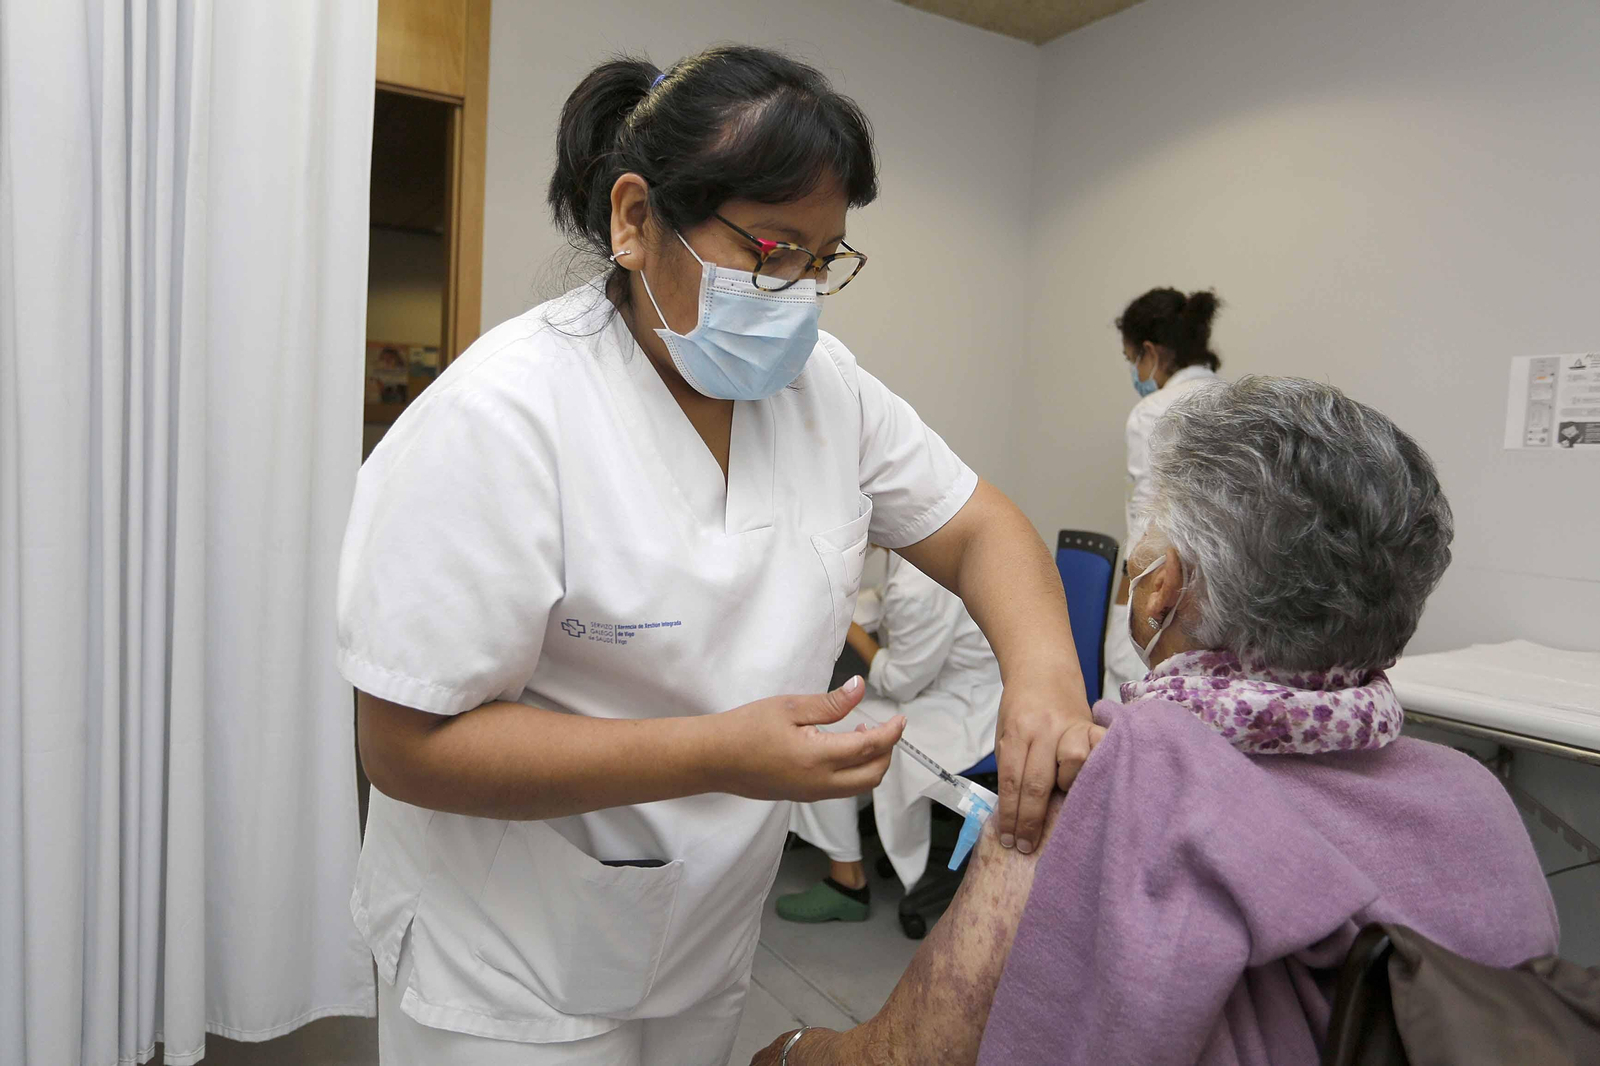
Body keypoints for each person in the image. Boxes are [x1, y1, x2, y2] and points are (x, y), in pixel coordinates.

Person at [337, 46, 1097, 1066]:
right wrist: (716, 751)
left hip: (698, 933)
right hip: (509, 961)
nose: (798, 293)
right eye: (772, 248)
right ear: (636, 219)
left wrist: (1045, 682)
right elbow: (404, 744)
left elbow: (977, 526)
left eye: (824, 260)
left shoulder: (827, 389)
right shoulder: (502, 416)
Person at [752, 377, 1559, 1065]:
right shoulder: (1476, 801)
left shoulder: (1105, 786)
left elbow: (908, 1058)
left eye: (1147, 547)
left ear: (1164, 589)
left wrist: (790, 1049)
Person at [777, 548, 1001, 921]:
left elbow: (900, 683)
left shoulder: (920, 584)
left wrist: (848, 628)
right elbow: (884, 598)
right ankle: (831, 836)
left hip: (967, 715)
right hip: (965, 691)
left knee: (818, 732)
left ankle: (846, 882)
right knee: (832, 712)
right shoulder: (918, 555)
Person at [1104, 287, 1222, 696]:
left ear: (1149, 353)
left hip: (1161, 597)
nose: (1134, 371)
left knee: (1133, 717)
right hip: (1225, 606)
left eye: (1131, 358)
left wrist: (1122, 610)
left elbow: (1146, 527)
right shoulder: (1236, 401)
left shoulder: (1153, 411)